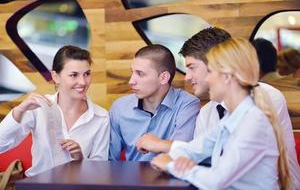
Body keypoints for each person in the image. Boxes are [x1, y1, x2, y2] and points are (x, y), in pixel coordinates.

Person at [136, 27, 300, 188]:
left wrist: (171, 165)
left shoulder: (256, 116)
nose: (209, 79)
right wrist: (173, 156)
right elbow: (199, 149)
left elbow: (217, 179)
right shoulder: (228, 116)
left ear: (227, 75)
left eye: (211, 72)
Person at [0, 45, 110, 176]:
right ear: (55, 76)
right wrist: (19, 110)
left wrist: (80, 159)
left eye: (86, 74)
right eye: (74, 75)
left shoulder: (101, 117)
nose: (82, 82)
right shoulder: (39, 107)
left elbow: (100, 171)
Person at [109, 44, 199, 161]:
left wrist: (158, 144)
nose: (131, 81)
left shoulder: (187, 105)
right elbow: (110, 161)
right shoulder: (119, 107)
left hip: (171, 177)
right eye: (132, 72)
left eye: (140, 74)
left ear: (163, 78)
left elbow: (183, 152)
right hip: (130, 178)